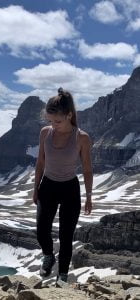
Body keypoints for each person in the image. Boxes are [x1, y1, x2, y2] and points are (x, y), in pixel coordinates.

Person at [33, 87, 93, 282]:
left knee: (66, 236)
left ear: (69, 115)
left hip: (70, 189)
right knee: (42, 230)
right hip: (48, 186)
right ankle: (48, 256)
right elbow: (40, 162)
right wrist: (35, 188)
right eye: (50, 121)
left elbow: (87, 169)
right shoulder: (45, 133)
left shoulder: (82, 137)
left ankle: (63, 277)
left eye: (57, 121)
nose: (53, 125)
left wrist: (89, 197)